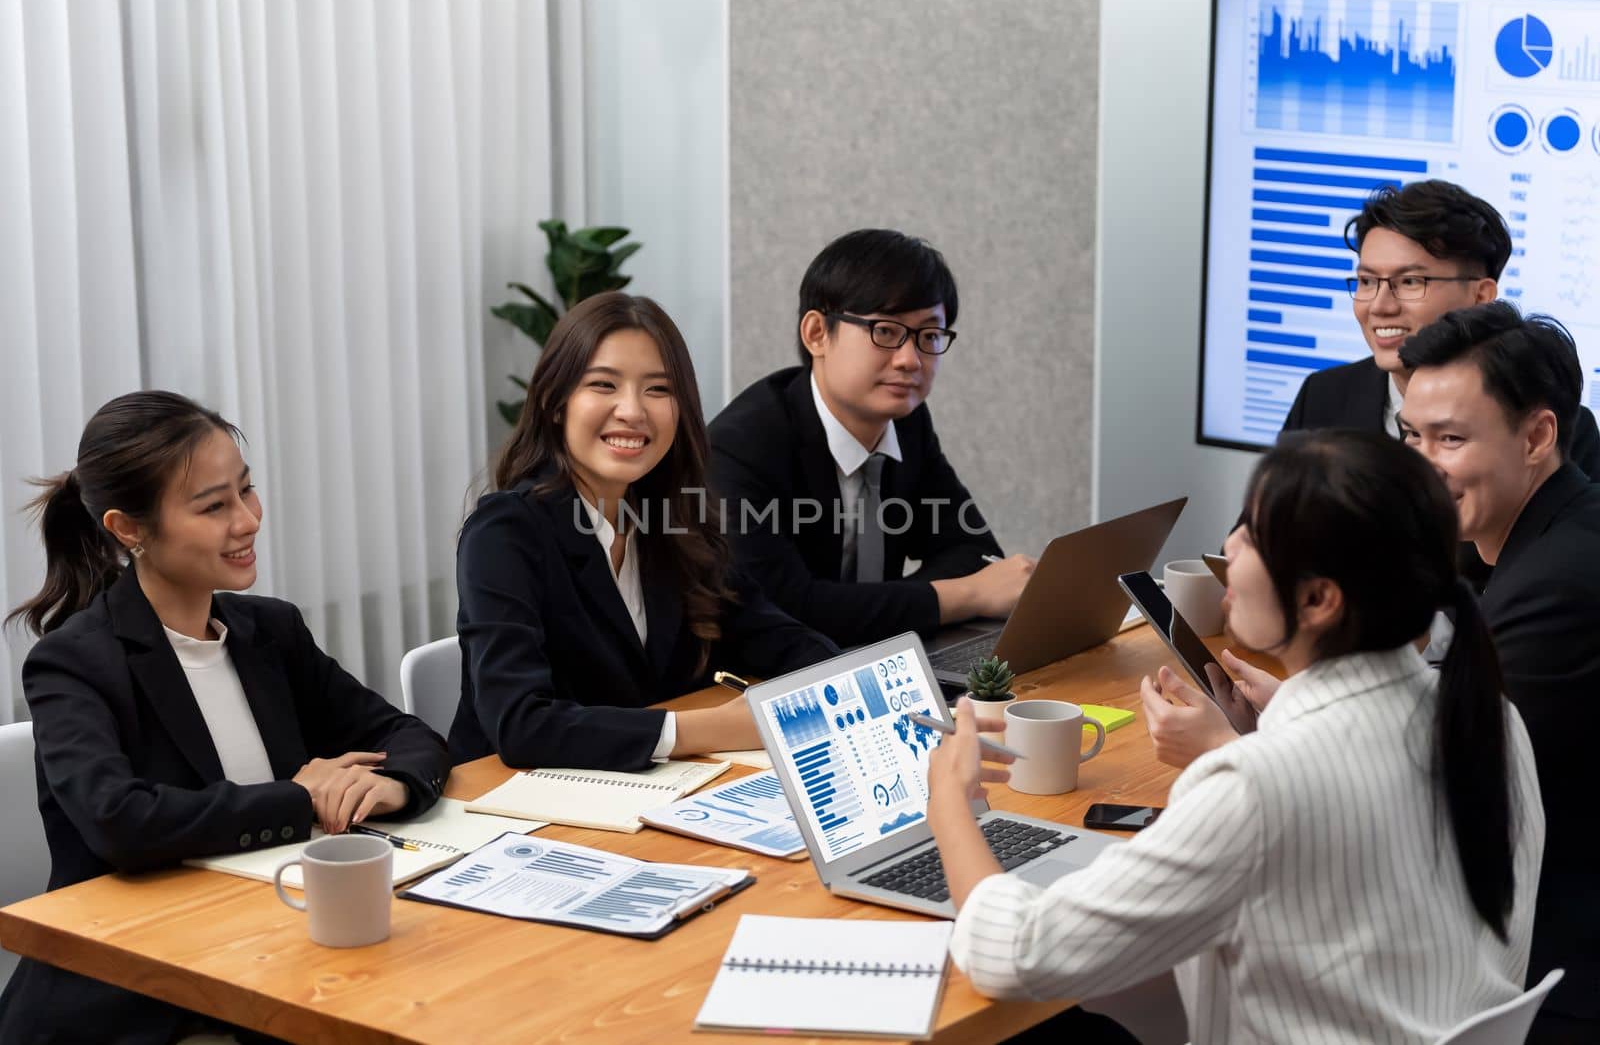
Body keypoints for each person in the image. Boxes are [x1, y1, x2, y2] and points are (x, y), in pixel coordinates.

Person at [926, 429, 1545, 1044]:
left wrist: (953, 803)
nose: (1229, 545)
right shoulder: (1489, 719)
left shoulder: (1256, 786)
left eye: (1252, 533)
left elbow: (1014, 954)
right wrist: (1269, 734)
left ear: (1320, 599)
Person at [0, 391, 450, 1045]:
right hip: (138, 994)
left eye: (247, 490)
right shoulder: (73, 662)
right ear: (129, 528)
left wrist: (393, 783)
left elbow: (405, 733)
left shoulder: (270, 629)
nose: (247, 520)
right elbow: (120, 821)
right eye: (214, 506)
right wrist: (302, 798)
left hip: (270, 948)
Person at [449, 292, 837, 770]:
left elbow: (780, 637)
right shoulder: (504, 532)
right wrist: (720, 727)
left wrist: (838, 681)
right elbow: (522, 724)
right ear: (554, 402)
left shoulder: (672, 521)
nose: (632, 410)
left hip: (648, 796)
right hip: (505, 811)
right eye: (603, 385)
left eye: (658, 389)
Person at [1397, 302, 1598, 1042]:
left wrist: (1246, 752)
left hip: (1554, 974)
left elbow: (1436, 794)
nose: (1420, 467)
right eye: (1409, 437)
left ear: (1538, 435)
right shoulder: (1536, 537)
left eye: (1449, 439)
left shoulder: (1561, 582)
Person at [708, 229, 1033, 647]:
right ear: (817, 334)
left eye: (929, 336)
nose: (910, 360)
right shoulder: (740, 446)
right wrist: (968, 596)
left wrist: (861, 609)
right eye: (885, 331)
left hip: (875, 664)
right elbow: (785, 611)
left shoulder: (906, 420)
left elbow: (973, 549)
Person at [1280, 178, 1600, 473]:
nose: (1379, 306)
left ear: (1481, 296)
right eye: (1367, 281)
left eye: (1410, 281)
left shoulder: (1550, 425)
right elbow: (1258, 529)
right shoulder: (1322, 397)